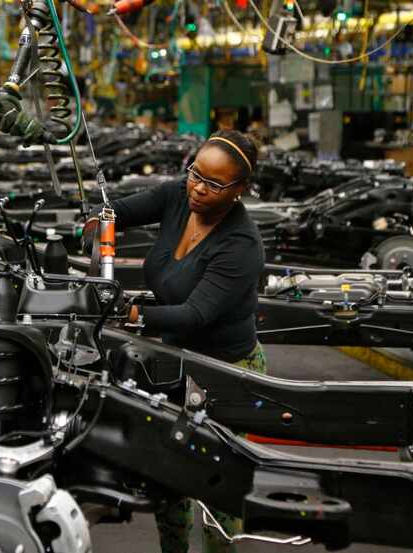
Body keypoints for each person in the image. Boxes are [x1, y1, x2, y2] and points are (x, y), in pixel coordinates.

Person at [98, 129, 266, 553]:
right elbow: (112, 212)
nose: (198, 188)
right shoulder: (179, 195)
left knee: (217, 492)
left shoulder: (241, 245)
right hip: (171, 362)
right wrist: (95, 225)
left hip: (226, 370)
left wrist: (130, 313)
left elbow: (195, 315)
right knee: (167, 481)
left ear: (240, 190)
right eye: (195, 174)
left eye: (214, 184)